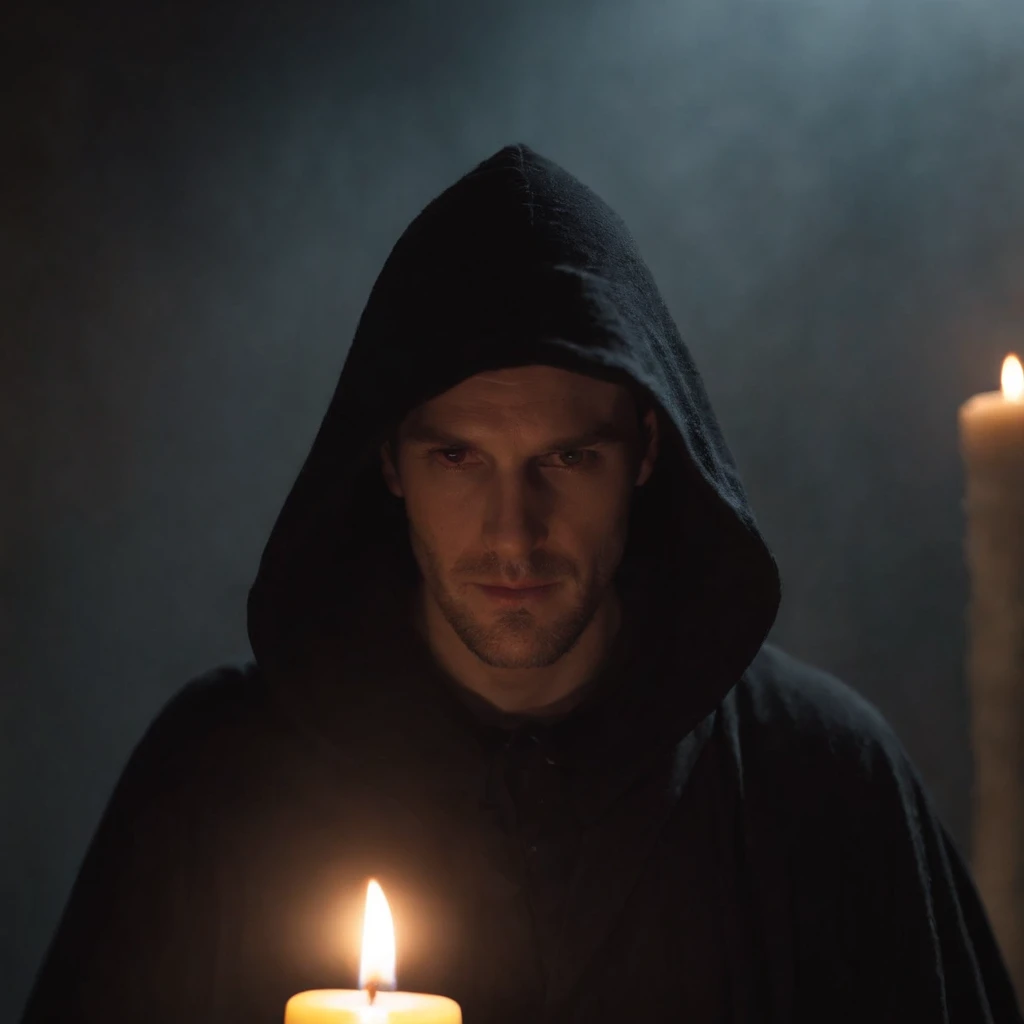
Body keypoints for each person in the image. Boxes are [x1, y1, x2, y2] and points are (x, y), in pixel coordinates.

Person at [21, 143, 1020, 1024]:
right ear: (388, 465)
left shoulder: (823, 780)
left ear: (643, 451)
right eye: (459, 460)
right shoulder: (214, 779)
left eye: (567, 458)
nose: (513, 533)